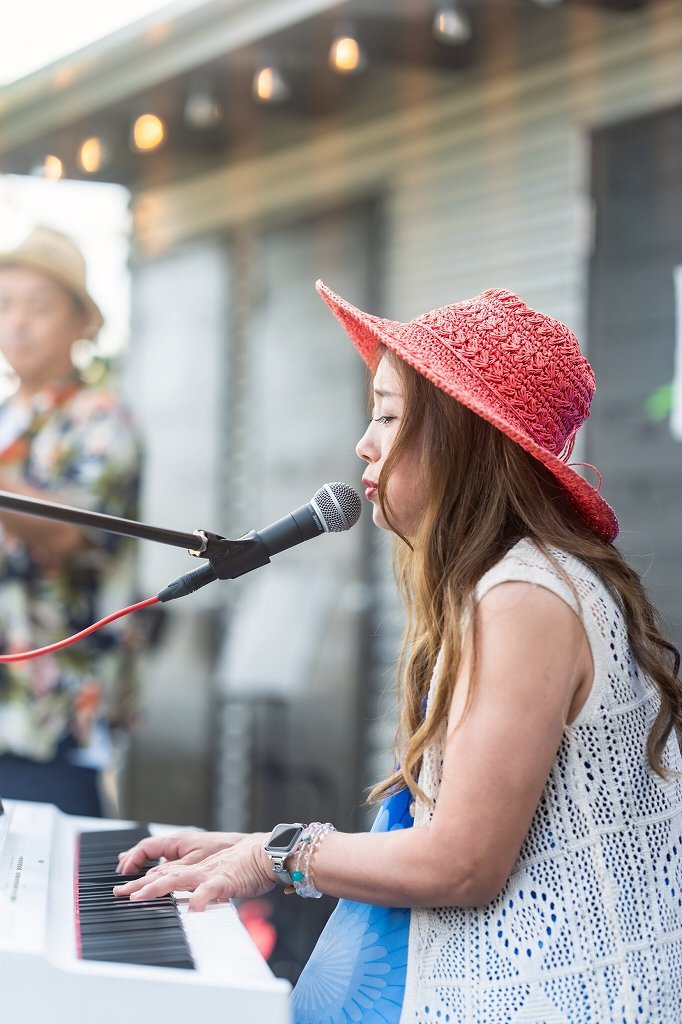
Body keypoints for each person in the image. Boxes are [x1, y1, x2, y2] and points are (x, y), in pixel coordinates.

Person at [114, 283, 682, 1022]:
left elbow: (463, 863)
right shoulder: (512, 584)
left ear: (464, 436)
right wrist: (255, 845)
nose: (365, 442)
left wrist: (277, 855)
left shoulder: (524, 596)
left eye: (387, 414)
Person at [0, 225, 143, 817]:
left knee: (51, 866)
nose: (17, 322)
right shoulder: (6, 414)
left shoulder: (102, 417)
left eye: (38, 306)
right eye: (5, 304)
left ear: (81, 323)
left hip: (56, 712)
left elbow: (69, 534)